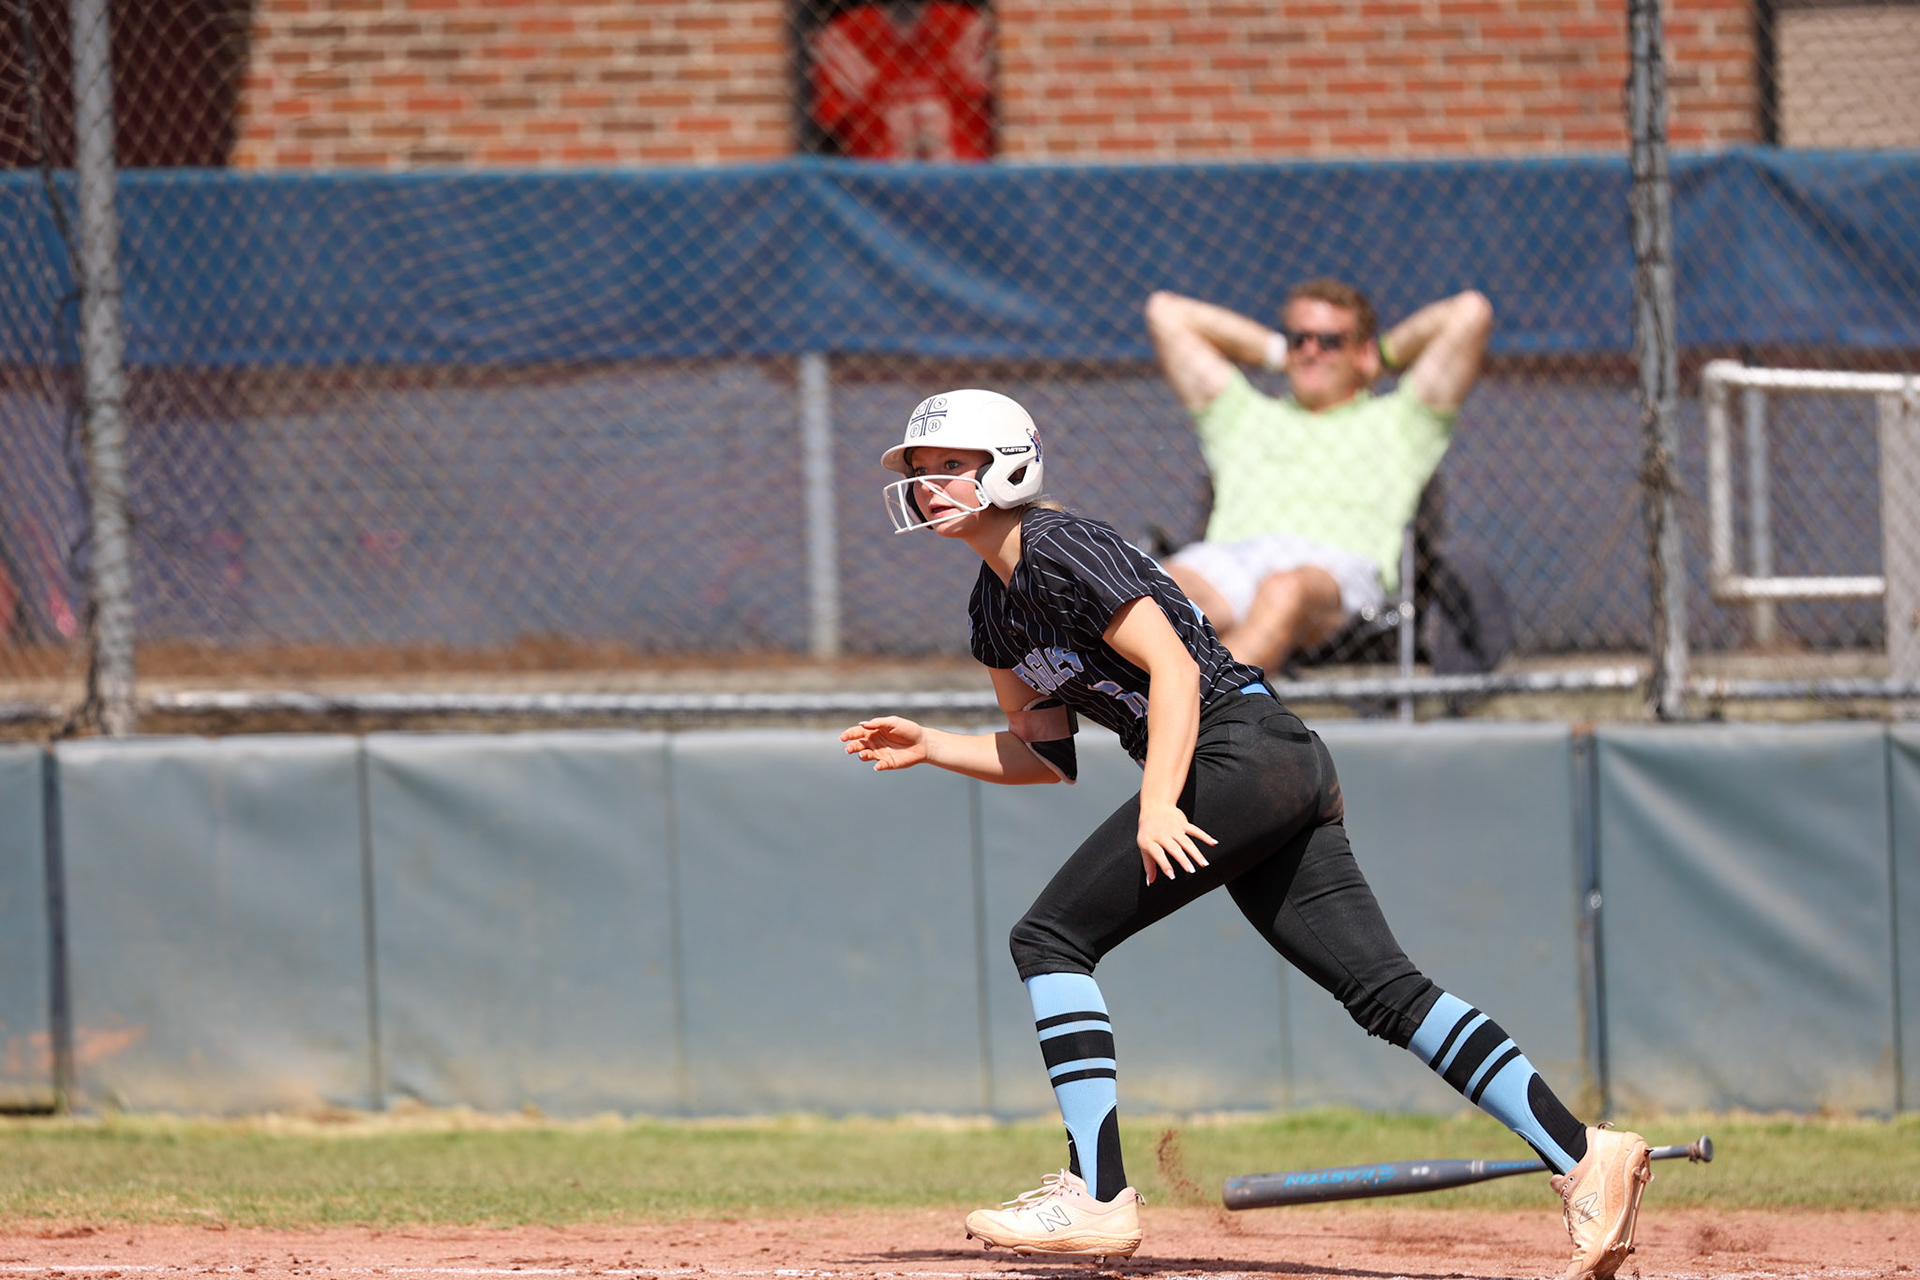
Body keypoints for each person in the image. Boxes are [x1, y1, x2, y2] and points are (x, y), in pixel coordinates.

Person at [839, 388, 1652, 1276]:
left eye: (948, 466)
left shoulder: (1063, 544)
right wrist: (932, 746)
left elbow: (1178, 670)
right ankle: (1585, 1157)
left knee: (1050, 938)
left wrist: (1159, 803)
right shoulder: (991, 611)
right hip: (1259, 764)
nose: (928, 487)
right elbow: (1045, 756)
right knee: (1384, 991)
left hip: (1239, 748)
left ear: (1010, 466)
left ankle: (1098, 1194)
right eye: (920, 473)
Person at [1143, 280, 1494, 673]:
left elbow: (1470, 313)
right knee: (1145, 590)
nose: (1311, 351)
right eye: (1298, 339)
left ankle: (1204, 714)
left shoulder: (1400, 422)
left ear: (1360, 352)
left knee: (1283, 589)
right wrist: (1277, 352)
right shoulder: (1243, 415)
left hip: (1336, 572)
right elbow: (1165, 313)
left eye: (1329, 341)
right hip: (1232, 559)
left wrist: (1380, 354)